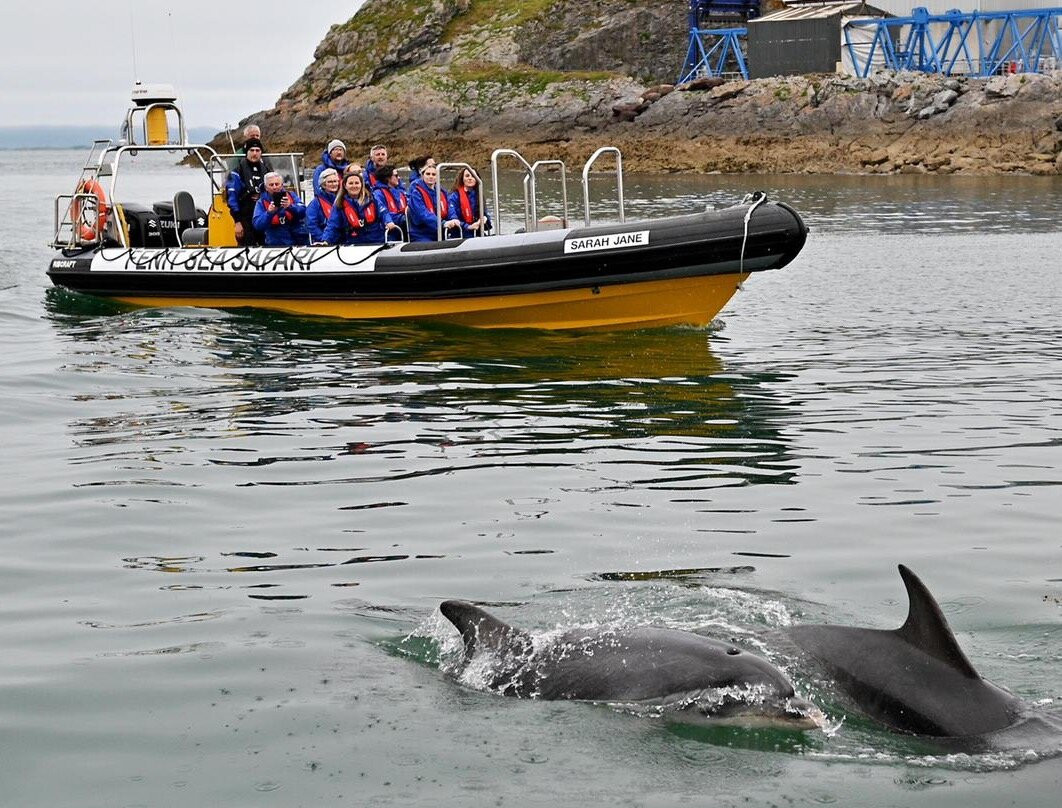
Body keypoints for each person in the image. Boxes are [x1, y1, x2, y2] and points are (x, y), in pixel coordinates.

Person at [226, 138, 275, 246]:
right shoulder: (236, 173)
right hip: (245, 219)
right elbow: (232, 199)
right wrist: (237, 222)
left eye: (257, 150)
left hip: (264, 217)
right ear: (246, 152)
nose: (254, 153)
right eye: (252, 150)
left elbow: (275, 191)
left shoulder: (267, 171)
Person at [322, 171, 391, 245]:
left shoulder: (373, 199)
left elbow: (384, 213)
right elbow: (332, 225)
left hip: (376, 241)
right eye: (351, 183)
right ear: (345, 185)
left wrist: (389, 222)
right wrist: (326, 241)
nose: (354, 186)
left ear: (361, 185)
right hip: (352, 243)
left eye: (357, 183)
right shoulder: (339, 204)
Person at [407, 163, 461, 242]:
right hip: (422, 233)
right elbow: (423, 214)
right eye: (428, 174)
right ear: (422, 176)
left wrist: (454, 218)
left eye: (433, 174)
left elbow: (449, 207)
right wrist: (442, 223)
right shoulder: (416, 194)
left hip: (439, 232)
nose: (431, 176)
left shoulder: (442, 192)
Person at [251, 172, 306, 246]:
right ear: (266, 187)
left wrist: (290, 206)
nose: (274, 187)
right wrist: (269, 213)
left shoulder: (291, 195)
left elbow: (304, 211)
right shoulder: (261, 202)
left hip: (298, 240)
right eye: (271, 185)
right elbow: (257, 225)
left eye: (277, 184)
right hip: (275, 243)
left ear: (281, 185)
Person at [448, 167, 492, 238]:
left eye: (473, 176)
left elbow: (486, 215)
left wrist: (484, 219)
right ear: (462, 179)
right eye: (467, 176)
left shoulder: (479, 195)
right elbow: (452, 216)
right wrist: (468, 226)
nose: (470, 178)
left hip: (477, 233)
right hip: (460, 234)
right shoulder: (454, 197)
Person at [371, 164, 408, 240]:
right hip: (389, 231)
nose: (399, 178)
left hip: (403, 227)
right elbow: (382, 213)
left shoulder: (401, 192)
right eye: (396, 175)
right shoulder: (378, 194)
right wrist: (402, 217)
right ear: (388, 178)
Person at [305, 167, 339, 244]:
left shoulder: (343, 200)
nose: (333, 184)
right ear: (323, 185)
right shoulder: (314, 204)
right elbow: (311, 224)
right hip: (324, 242)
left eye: (335, 181)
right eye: (330, 182)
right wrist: (323, 239)